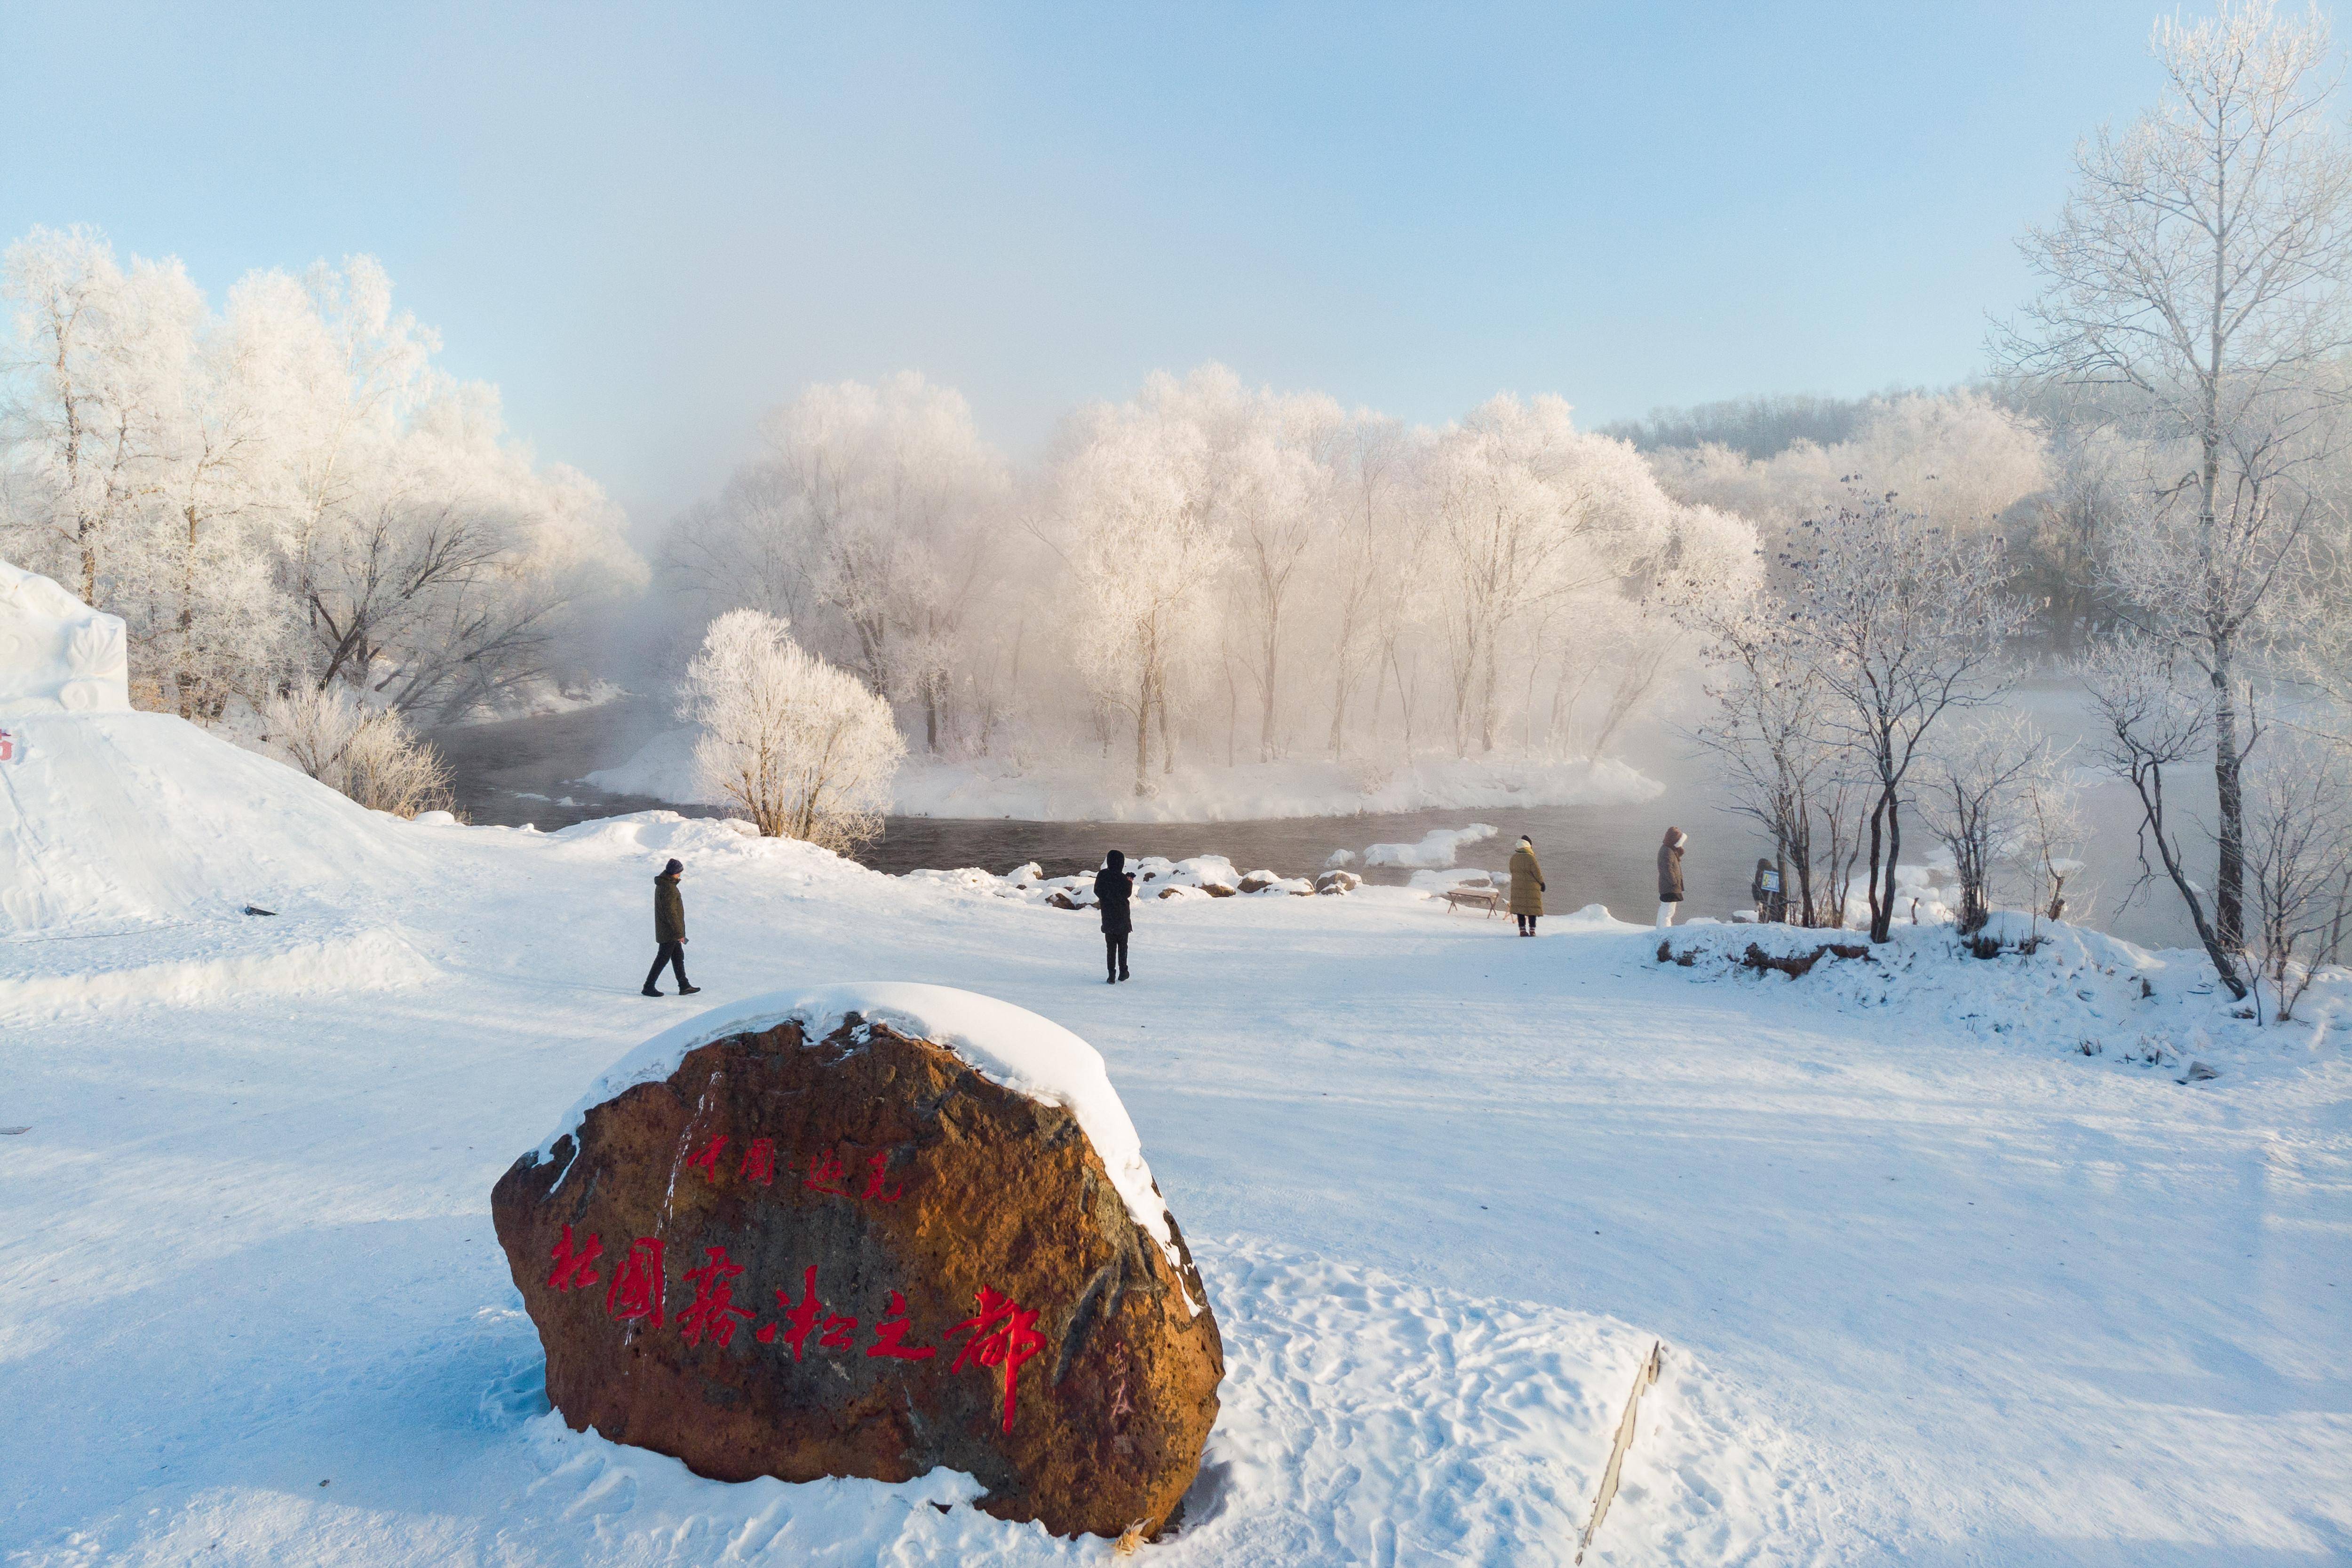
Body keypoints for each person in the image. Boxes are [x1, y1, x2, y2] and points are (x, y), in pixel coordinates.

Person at [643, 857, 701, 998]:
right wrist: (679, 933)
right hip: (670, 932)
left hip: (669, 931)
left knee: (678, 957)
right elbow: (671, 913)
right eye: (679, 873)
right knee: (662, 959)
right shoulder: (668, 888)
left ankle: (684, 986)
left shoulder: (666, 885)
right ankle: (648, 987)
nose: (680, 875)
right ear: (673, 873)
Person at [1094, 849, 1136, 983]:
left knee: (1111, 948)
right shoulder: (1123, 878)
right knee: (1123, 946)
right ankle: (1124, 971)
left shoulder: (1102, 875)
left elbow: (1097, 890)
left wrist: (1107, 898)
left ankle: (1111, 975)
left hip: (1108, 917)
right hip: (1122, 918)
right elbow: (1127, 894)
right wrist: (1129, 881)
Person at [1508, 835, 1546, 935]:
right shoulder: (1531, 858)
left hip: (1518, 888)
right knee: (1532, 909)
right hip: (1532, 888)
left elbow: (1512, 871)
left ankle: (1522, 930)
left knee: (1520, 909)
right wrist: (1542, 883)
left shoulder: (1514, 858)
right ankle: (1532, 931)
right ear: (1529, 846)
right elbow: (1537, 873)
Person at [1656, 826, 1686, 929]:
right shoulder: (1667, 851)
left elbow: (1670, 864)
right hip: (1670, 887)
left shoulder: (1668, 850)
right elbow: (1667, 869)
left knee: (1666, 909)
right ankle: (1665, 931)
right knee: (1668, 911)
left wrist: (1678, 852)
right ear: (1674, 840)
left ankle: (1661, 929)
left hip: (1669, 886)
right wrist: (1674, 882)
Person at [1750, 857, 1784, 923]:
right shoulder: (1759, 872)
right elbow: (1756, 885)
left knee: (1773, 916)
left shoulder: (1774, 873)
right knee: (1762, 917)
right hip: (1762, 898)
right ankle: (1762, 924)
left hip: (1773, 900)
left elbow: (1777, 889)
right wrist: (1757, 899)